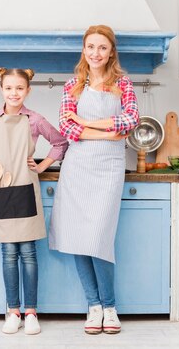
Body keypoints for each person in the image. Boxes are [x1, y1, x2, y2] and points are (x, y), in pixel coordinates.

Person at [48, 25, 139, 335]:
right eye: (91, 47)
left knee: (99, 237)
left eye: (102, 47)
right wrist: (106, 131)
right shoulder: (72, 85)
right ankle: (94, 306)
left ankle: (110, 306)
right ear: (84, 50)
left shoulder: (123, 84)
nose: (96, 53)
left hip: (109, 168)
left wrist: (86, 122)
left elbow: (129, 122)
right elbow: (66, 127)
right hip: (78, 167)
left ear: (111, 51)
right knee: (77, 237)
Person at [0, 67, 68, 335]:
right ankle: (13, 311)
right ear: (1, 90)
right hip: (2, 186)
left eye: (19, 88)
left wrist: (43, 164)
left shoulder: (34, 120)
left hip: (26, 186)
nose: (14, 93)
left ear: (28, 91)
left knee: (29, 253)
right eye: (9, 88)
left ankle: (31, 312)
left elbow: (60, 142)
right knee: (9, 253)